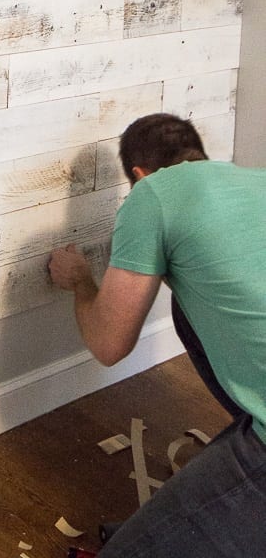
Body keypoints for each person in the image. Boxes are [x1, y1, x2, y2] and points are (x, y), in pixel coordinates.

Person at [48, 112, 266, 556]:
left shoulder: (152, 196)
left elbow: (109, 345)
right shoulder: (255, 180)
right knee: (185, 308)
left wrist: (80, 283)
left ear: (138, 174)